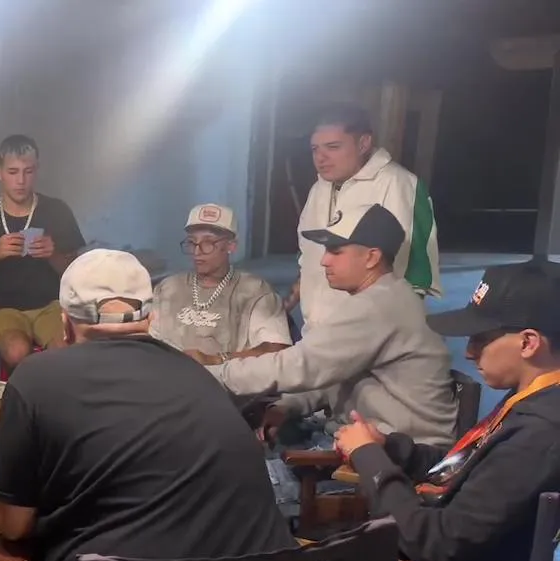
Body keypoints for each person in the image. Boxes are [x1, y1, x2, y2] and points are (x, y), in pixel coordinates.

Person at [0, 249, 314, 561]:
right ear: (151, 318)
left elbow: (15, 524)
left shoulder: (35, 378)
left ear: (64, 324)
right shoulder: (198, 375)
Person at [335, 260, 560, 561]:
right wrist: (390, 448)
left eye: (481, 338)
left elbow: (438, 544)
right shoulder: (531, 397)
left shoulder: (542, 432)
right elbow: (463, 470)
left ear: (528, 342)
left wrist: (370, 460)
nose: (469, 352)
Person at [206, 204, 456, 448]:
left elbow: (297, 365)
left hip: (403, 450)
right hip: (379, 435)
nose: (324, 261)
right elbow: (334, 373)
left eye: (336, 251)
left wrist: (211, 374)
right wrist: (287, 406)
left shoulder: (376, 306)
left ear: (371, 257)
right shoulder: (387, 295)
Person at [290, 103, 441, 329]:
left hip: (371, 333)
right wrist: (297, 293)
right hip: (317, 331)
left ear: (363, 143)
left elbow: (416, 272)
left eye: (333, 147)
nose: (320, 157)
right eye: (315, 149)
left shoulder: (400, 185)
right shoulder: (319, 188)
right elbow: (309, 254)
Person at [0, 134, 86, 374]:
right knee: (16, 351)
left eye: (28, 171)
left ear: (37, 170)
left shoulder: (57, 210)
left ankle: (53, 394)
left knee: (67, 351)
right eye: (13, 172)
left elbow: (78, 274)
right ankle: (27, 393)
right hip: (2, 308)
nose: (21, 181)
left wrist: (53, 255)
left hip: (51, 304)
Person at [150, 203, 291, 362]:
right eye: (192, 242)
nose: (197, 251)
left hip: (227, 377)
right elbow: (151, 343)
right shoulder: (168, 289)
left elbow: (276, 350)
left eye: (208, 243)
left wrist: (216, 359)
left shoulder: (255, 291)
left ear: (231, 246)